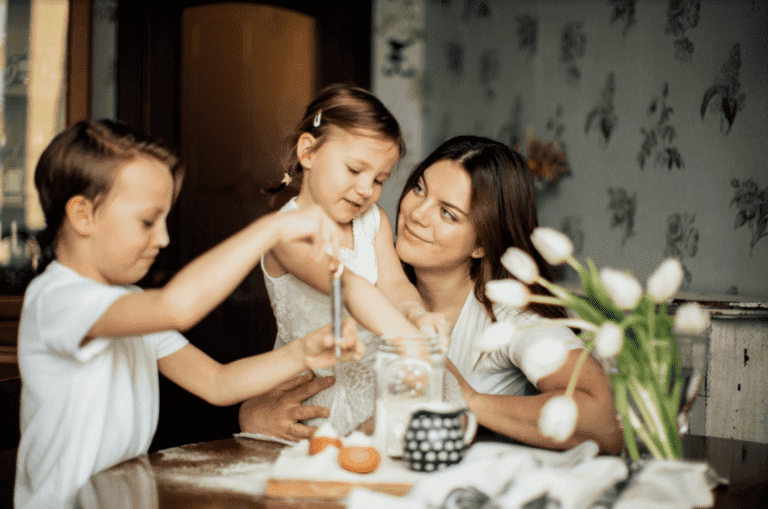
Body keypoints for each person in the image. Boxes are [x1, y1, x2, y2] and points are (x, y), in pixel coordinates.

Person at [14, 119, 363, 509]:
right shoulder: (57, 300)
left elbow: (216, 382)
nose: (162, 239)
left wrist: (301, 353)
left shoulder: (129, 303)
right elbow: (176, 307)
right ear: (83, 215)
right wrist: (272, 228)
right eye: (148, 221)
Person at [242, 135, 623, 454]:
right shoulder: (358, 279)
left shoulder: (507, 318)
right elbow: (287, 384)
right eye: (419, 189)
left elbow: (604, 423)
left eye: (448, 213)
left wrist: (467, 400)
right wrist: (253, 413)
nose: (417, 214)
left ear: (481, 244)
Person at [259, 84, 446, 438]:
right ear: (308, 152)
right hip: (310, 396)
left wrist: (416, 313)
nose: (365, 190)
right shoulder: (284, 232)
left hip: (370, 389)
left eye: (378, 180)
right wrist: (408, 338)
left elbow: (393, 284)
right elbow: (345, 285)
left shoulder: (372, 221)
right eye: (354, 170)